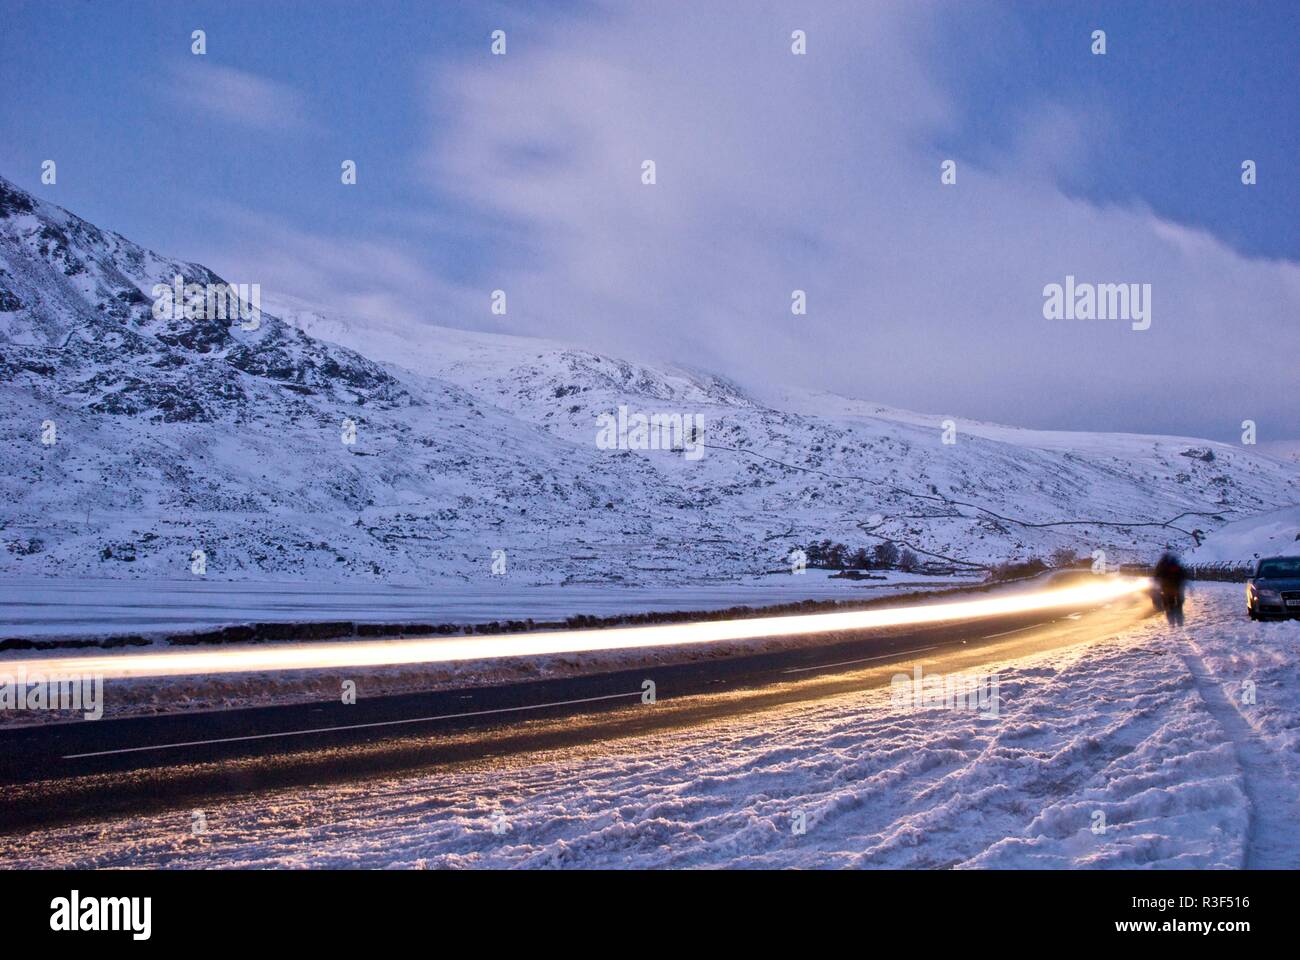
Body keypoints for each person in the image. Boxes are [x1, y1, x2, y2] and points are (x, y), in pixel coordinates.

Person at [1153, 551, 1187, 626]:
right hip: (1177, 587)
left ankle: (1171, 621)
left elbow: (1156, 576)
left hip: (1166, 588)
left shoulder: (1161, 566)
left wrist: (1157, 587)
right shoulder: (1176, 565)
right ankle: (1179, 620)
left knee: (1169, 604)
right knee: (1179, 604)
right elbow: (1183, 575)